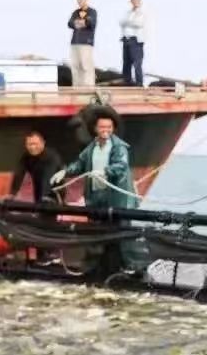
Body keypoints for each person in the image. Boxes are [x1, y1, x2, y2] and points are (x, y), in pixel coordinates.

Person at [51, 113, 144, 275]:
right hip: (96, 196)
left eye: (109, 127)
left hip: (117, 199)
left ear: (113, 129)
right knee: (97, 232)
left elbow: (121, 166)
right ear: (95, 129)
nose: (105, 130)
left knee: (121, 233)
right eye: (102, 127)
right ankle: (98, 265)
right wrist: (64, 171)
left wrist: (105, 171)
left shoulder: (119, 147)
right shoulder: (92, 147)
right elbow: (80, 164)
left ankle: (131, 267)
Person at [10, 131, 63, 204]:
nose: (32, 147)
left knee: (46, 206)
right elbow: (19, 174)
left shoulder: (51, 157)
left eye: (35, 144)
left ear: (43, 143)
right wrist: (12, 194)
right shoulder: (26, 157)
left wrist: (45, 196)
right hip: (38, 190)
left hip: (55, 191)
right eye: (29, 144)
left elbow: (48, 176)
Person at [67, 0, 97, 86]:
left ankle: (88, 87)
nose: (80, 1)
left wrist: (79, 23)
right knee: (75, 66)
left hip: (86, 43)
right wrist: (81, 22)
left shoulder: (92, 11)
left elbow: (90, 23)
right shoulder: (75, 12)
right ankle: (77, 87)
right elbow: (70, 23)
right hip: (75, 42)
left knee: (86, 66)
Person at [120, 0, 146, 87]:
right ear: (131, 1)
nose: (135, 1)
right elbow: (121, 22)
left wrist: (128, 22)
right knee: (126, 62)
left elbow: (139, 23)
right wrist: (130, 22)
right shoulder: (127, 12)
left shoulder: (142, 12)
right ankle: (127, 82)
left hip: (136, 40)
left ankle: (139, 84)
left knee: (137, 63)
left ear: (140, 1)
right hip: (126, 39)